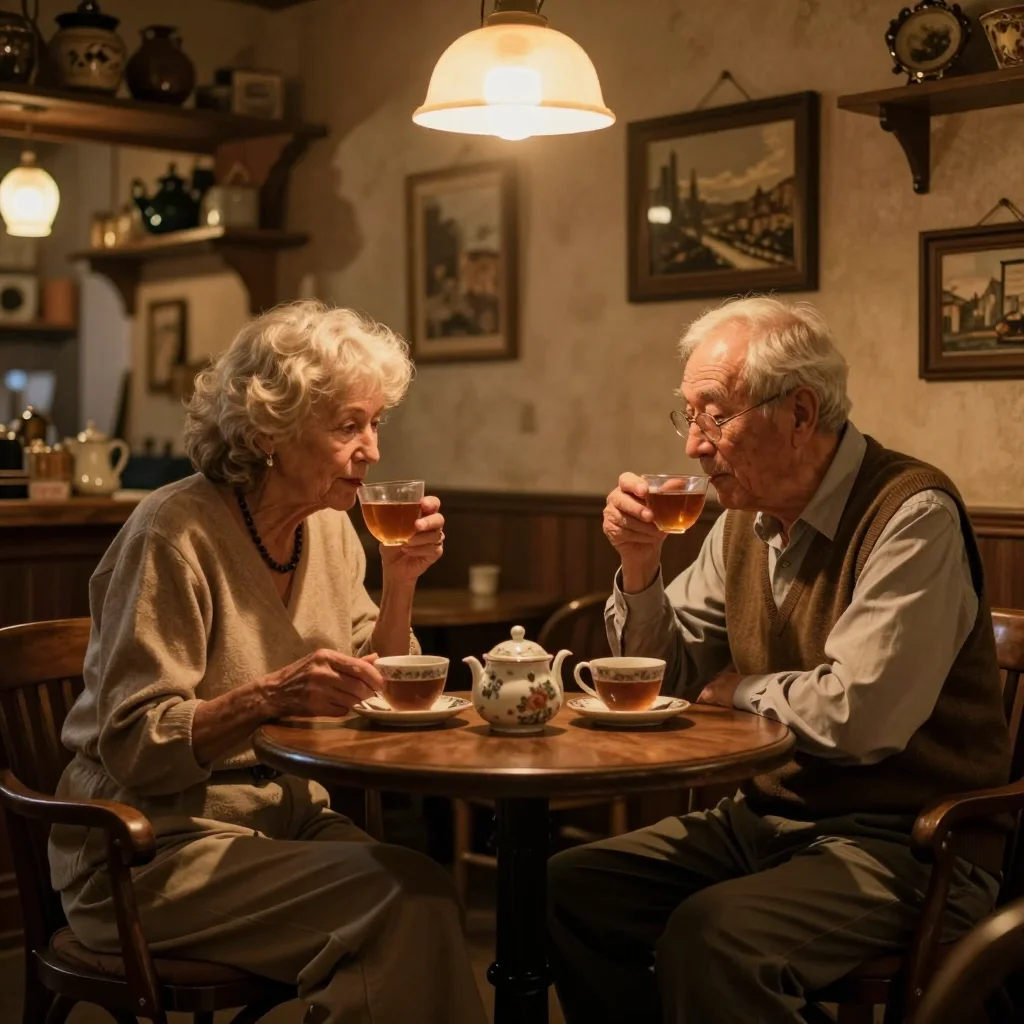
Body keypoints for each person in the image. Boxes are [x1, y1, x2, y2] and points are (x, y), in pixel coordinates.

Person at [547, 296, 1011, 1023]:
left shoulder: (910, 513)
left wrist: (740, 692)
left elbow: (863, 718)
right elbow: (658, 680)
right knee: (569, 885)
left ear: (799, 414)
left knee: (716, 940)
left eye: (715, 415)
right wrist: (640, 567)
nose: (695, 445)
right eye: (689, 416)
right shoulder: (745, 522)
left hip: (911, 846)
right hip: (767, 822)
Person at [49, 301, 488, 1024]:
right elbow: (134, 744)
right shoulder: (171, 532)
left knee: (422, 889)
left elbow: (374, 690)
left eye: (377, 424)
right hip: (151, 847)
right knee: (397, 902)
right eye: (349, 425)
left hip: (285, 819)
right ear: (269, 431)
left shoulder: (335, 530)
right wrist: (268, 698)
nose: (373, 450)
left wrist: (401, 581)